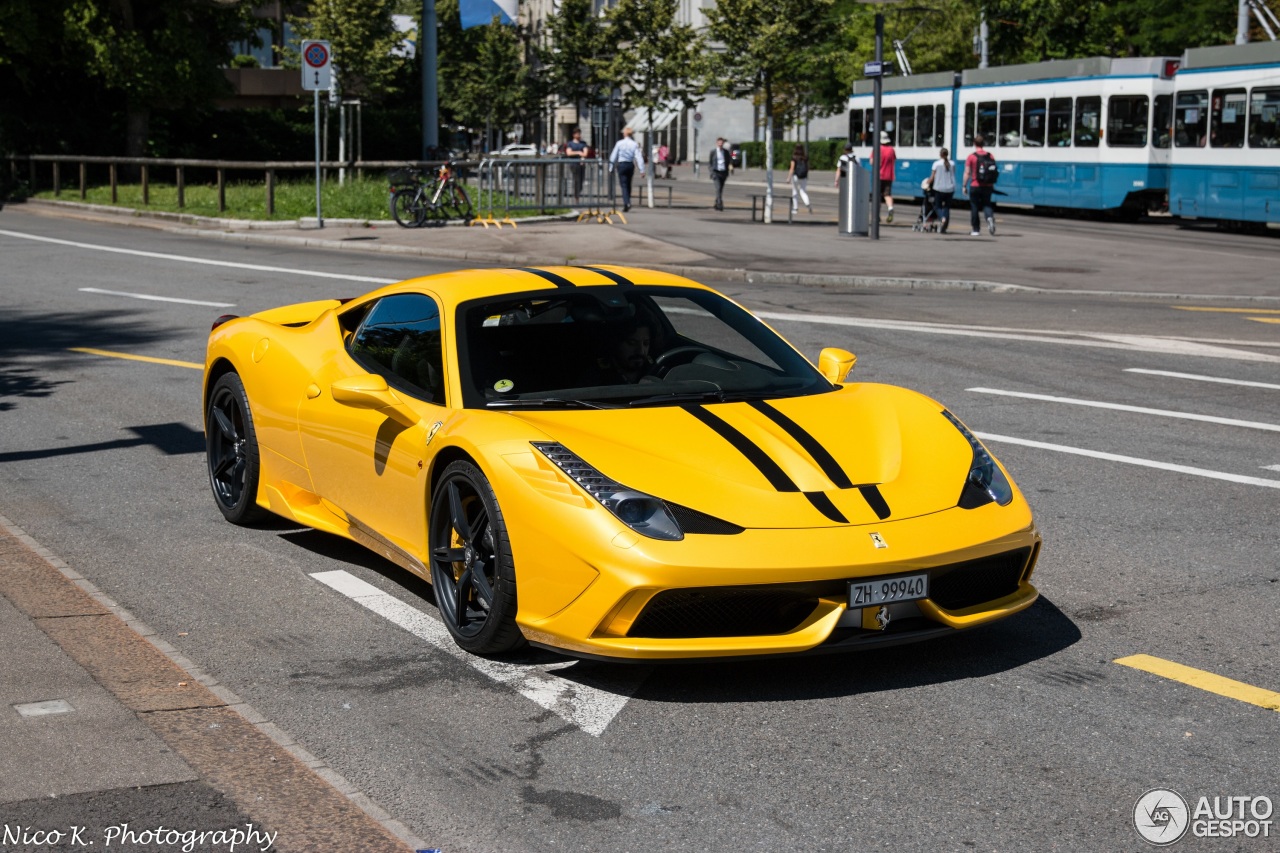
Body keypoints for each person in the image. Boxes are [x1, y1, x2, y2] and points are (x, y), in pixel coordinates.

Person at [598, 318, 655, 384]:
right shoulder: (597, 377)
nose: (641, 351)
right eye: (632, 343)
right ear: (616, 342)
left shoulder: (656, 371)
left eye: (646, 343)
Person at [963, 133, 997, 236]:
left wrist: (964, 185)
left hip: (975, 185)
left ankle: (976, 230)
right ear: (983, 143)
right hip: (988, 185)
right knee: (987, 204)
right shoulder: (990, 155)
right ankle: (989, 218)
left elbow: (967, 173)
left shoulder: (971, 157)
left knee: (974, 207)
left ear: (974, 143)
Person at [608, 126, 645, 212]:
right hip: (630, 164)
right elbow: (638, 157)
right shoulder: (634, 144)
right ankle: (627, 201)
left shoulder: (619, 143)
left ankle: (626, 202)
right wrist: (642, 169)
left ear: (624, 134)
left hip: (622, 164)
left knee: (623, 184)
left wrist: (611, 167)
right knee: (628, 184)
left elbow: (614, 156)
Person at [927, 147, 956, 234]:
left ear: (940, 154)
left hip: (939, 188)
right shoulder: (952, 163)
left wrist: (927, 183)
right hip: (950, 188)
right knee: (946, 207)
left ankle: (942, 218)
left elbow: (932, 177)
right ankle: (945, 227)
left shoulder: (936, 164)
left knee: (937, 206)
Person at [564, 127, 589, 202]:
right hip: (574, 164)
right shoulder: (570, 143)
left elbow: (585, 153)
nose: (579, 135)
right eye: (577, 134)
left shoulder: (583, 143)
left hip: (581, 165)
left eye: (579, 133)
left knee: (581, 180)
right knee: (576, 180)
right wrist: (578, 152)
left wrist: (579, 153)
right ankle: (576, 196)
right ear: (574, 135)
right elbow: (568, 153)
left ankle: (577, 193)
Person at [788, 143, 812, 215]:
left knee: (795, 191)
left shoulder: (794, 157)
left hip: (796, 176)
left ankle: (795, 208)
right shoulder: (805, 157)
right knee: (803, 191)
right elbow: (808, 167)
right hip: (803, 176)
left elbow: (792, 169)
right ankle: (807, 203)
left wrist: (788, 178)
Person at [878, 130, 897, 224]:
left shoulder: (878, 149)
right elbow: (894, 160)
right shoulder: (891, 149)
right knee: (887, 195)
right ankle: (890, 208)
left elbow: (872, 162)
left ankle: (877, 215)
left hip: (879, 175)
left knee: (877, 196)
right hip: (889, 175)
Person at [709, 137, 730, 211]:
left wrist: (728, 171)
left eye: (722, 143)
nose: (720, 144)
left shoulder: (726, 152)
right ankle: (720, 204)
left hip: (723, 172)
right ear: (717, 143)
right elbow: (710, 163)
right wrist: (711, 172)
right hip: (716, 172)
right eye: (719, 143)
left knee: (720, 189)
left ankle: (716, 202)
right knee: (718, 188)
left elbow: (728, 162)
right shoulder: (713, 152)